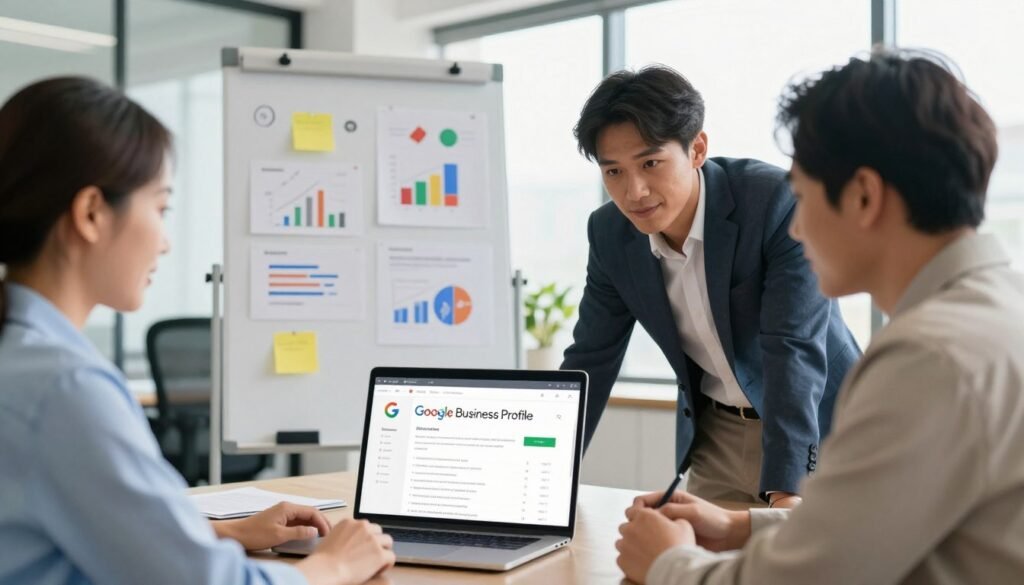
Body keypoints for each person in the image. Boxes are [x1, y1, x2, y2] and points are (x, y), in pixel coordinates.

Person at [615, 48, 1024, 584]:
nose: (798, 228)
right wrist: (742, 527)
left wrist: (668, 564)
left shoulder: (928, 358)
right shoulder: (996, 310)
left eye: (803, 197)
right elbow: (872, 529)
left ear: (862, 196)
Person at [0, 77, 394, 585]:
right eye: (160, 208)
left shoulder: (23, 358)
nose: (165, 242)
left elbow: (62, 535)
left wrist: (216, 534)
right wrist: (334, 565)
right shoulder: (64, 388)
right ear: (92, 213)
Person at [562, 65, 860, 505]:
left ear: (697, 148)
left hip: (819, 428)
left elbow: (791, 348)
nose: (634, 192)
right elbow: (591, 358)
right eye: (614, 173)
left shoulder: (775, 201)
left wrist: (786, 491)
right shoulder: (610, 233)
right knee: (702, 571)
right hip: (716, 438)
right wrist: (547, 473)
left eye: (650, 163)